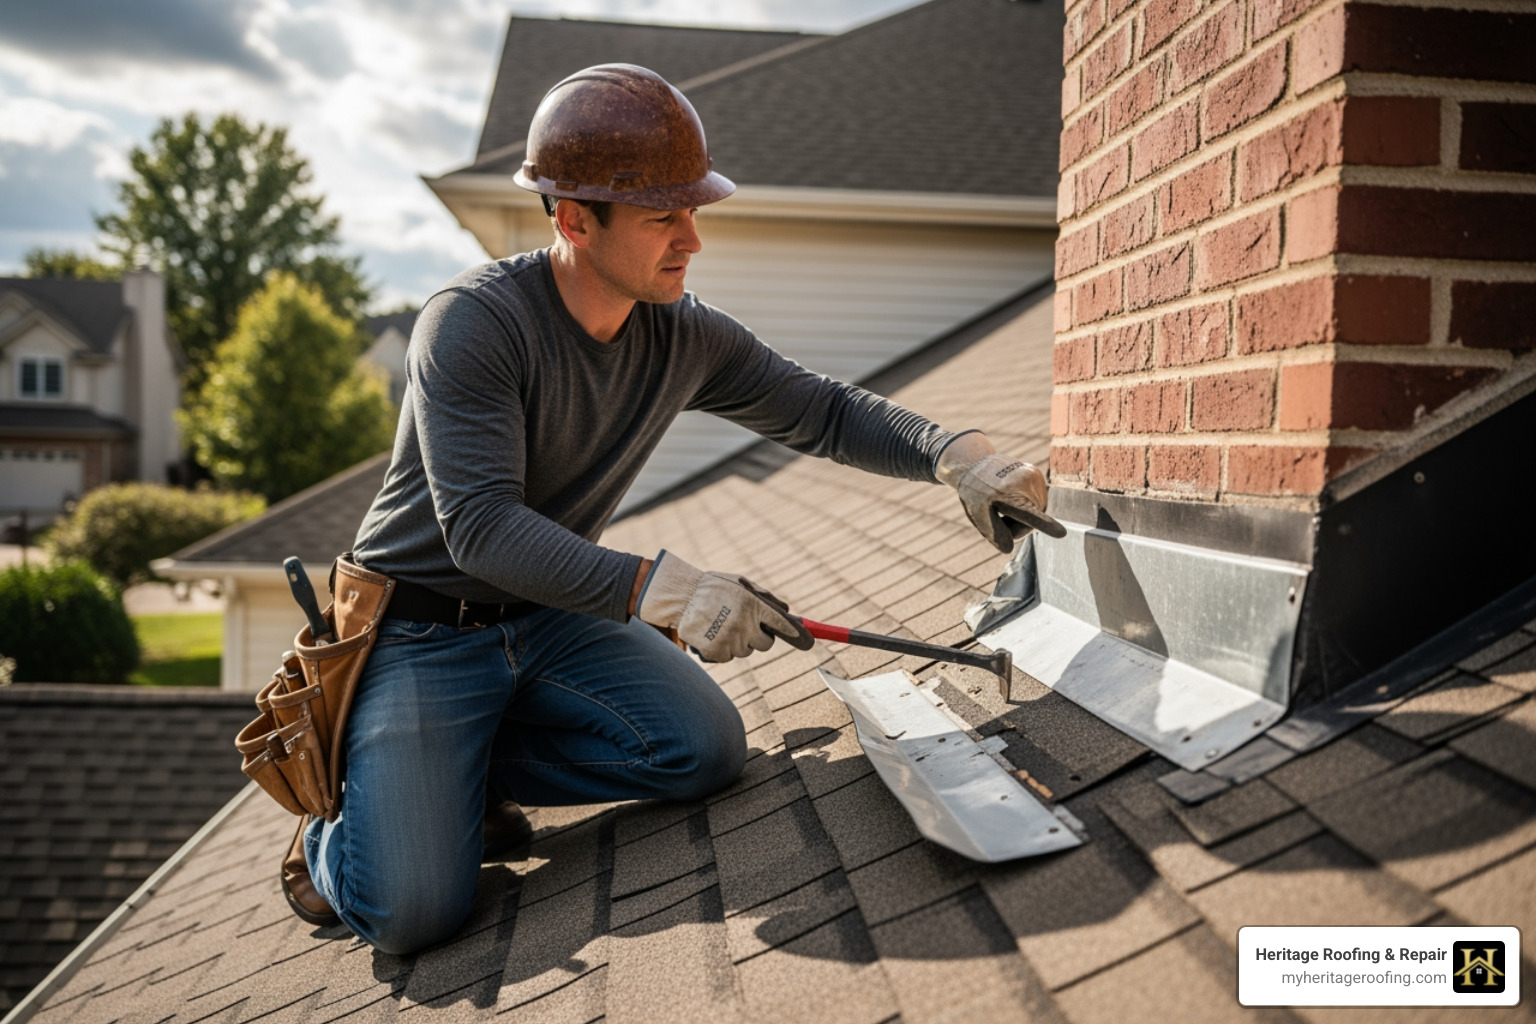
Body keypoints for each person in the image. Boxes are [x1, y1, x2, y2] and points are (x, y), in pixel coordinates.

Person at [284, 64, 1057, 954]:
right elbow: (483, 528)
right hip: (418, 633)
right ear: (574, 219)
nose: (692, 238)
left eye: (694, 210)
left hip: (546, 616)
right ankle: (337, 830)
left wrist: (956, 457)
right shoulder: (472, 323)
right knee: (411, 914)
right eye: (663, 216)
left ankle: (450, 778)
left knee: (700, 750)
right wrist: (664, 591)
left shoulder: (682, 332)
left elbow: (826, 410)